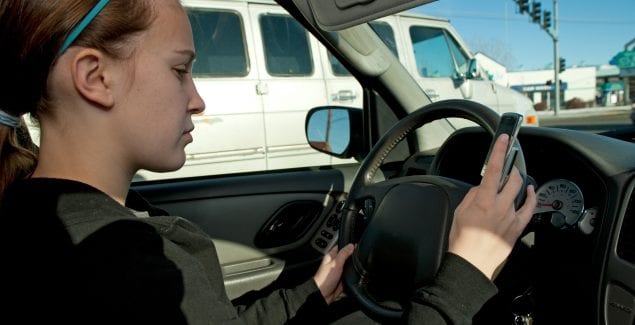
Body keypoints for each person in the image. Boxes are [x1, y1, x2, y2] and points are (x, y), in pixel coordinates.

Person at [0, 0, 536, 324]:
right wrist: (468, 268)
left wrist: (310, 294)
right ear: (96, 77)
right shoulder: (112, 265)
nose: (197, 99)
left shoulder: (52, 223)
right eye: (180, 69)